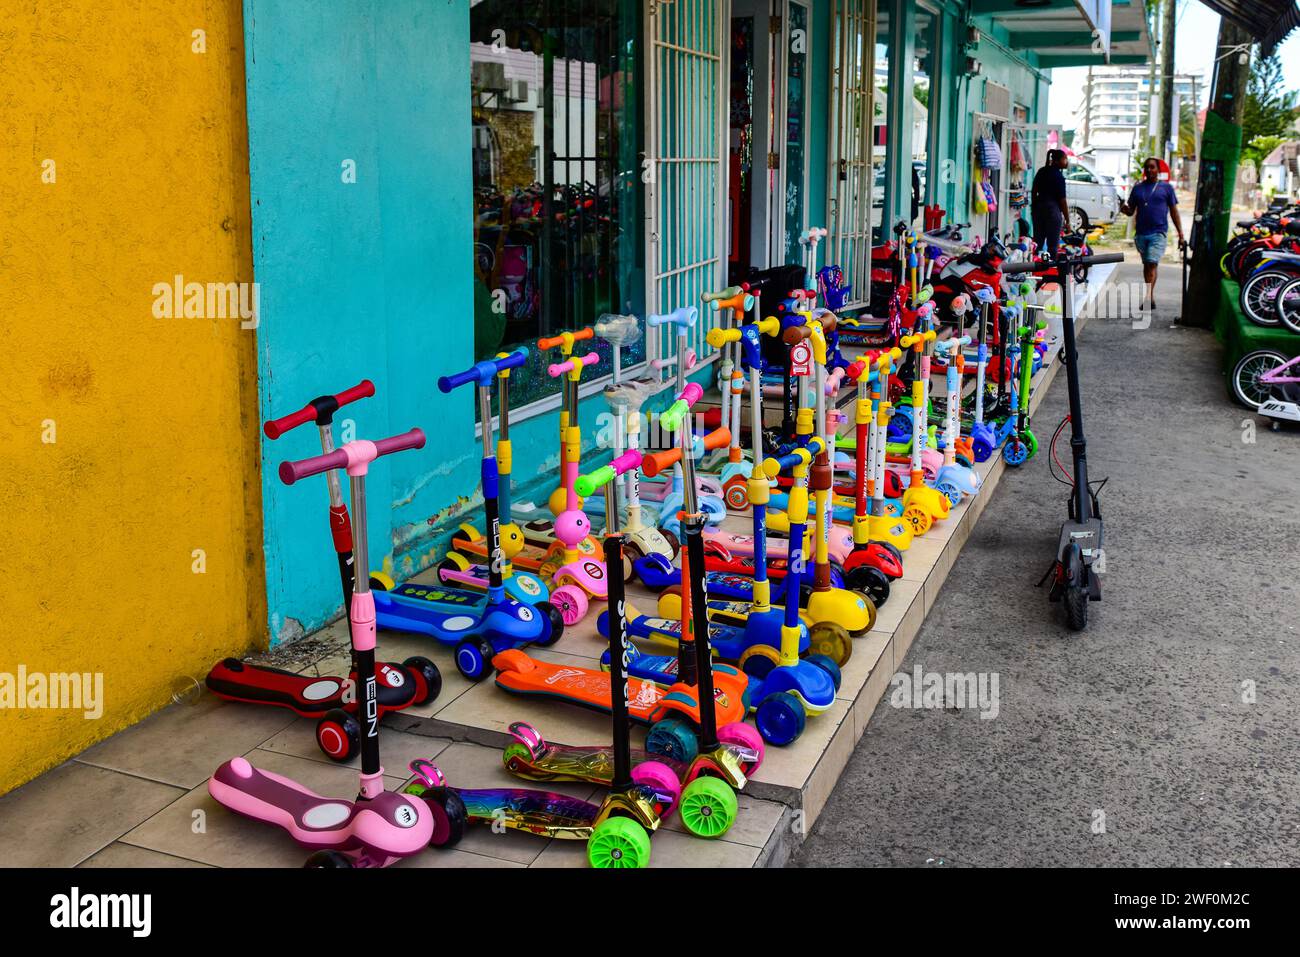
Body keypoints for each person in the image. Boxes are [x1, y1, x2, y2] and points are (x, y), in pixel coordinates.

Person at [1121, 157, 1184, 312]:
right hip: (1141, 233)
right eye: (1147, 167)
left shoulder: (1166, 188)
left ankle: (1148, 297)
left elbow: (1174, 212)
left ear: (1158, 169)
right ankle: (1151, 296)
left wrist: (1180, 234)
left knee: (1151, 262)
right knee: (1147, 265)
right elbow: (1130, 211)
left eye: (1152, 167)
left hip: (1159, 232)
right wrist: (1122, 207)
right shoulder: (1138, 188)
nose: (1149, 170)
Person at [1031, 149, 1070, 259]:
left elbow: (1034, 191)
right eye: (1064, 159)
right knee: (1052, 246)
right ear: (1057, 161)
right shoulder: (1058, 177)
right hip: (1053, 211)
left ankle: (1033, 267)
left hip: (1039, 208)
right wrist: (1067, 221)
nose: (1066, 161)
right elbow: (1062, 201)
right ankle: (1050, 269)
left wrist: (1034, 207)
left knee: (1037, 243)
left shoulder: (1042, 171)